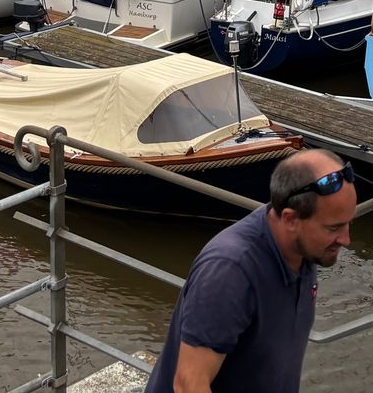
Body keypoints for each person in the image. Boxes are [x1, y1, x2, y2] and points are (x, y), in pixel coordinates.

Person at [144, 150, 356, 393]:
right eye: (334, 228)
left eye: (349, 222)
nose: (346, 239)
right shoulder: (230, 272)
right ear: (290, 219)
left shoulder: (307, 249)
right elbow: (189, 384)